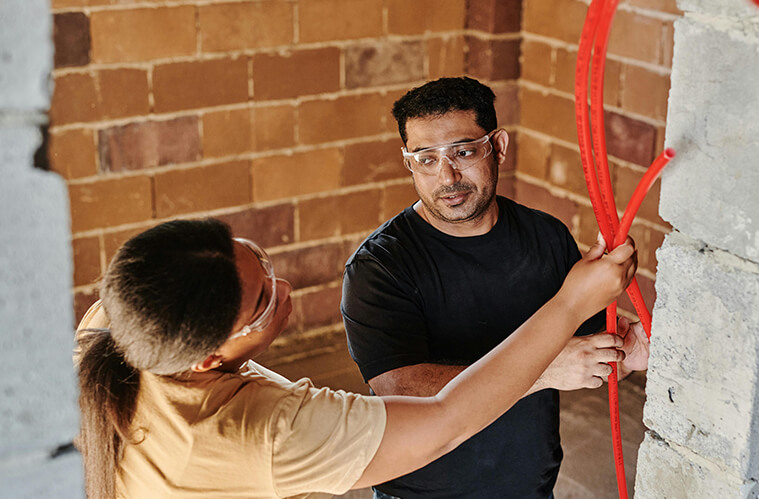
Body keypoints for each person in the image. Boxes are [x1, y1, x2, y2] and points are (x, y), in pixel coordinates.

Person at [75, 218, 636, 498]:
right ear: (206, 358)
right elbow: (444, 423)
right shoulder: (264, 433)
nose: (285, 284)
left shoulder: (113, 323)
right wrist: (569, 305)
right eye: (264, 298)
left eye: (260, 259)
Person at [341, 76, 651, 498]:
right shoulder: (379, 266)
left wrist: (627, 349)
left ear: (498, 146)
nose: (447, 176)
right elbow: (401, 388)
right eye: (426, 159)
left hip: (529, 486)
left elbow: (587, 338)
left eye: (464, 152)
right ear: (408, 161)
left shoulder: (546, 237)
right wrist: (545, 370)